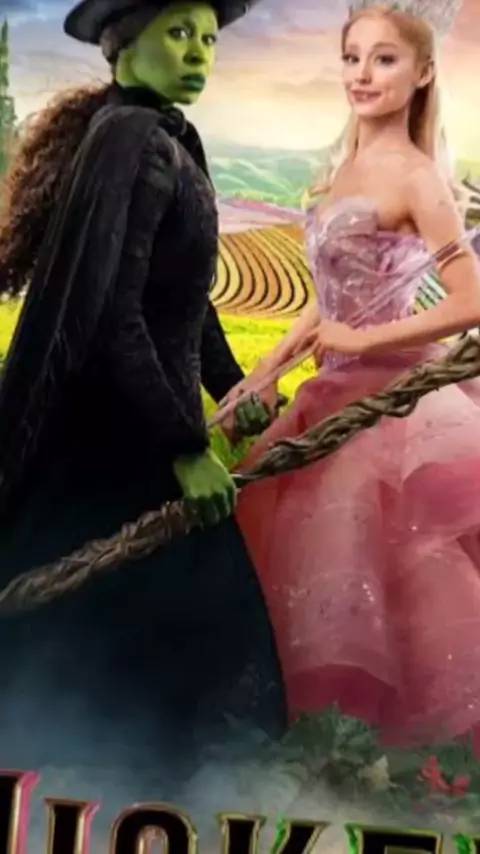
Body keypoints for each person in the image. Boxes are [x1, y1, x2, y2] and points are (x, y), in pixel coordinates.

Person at [0, 0, 286, 782]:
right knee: (132, 636)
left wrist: (232, 385)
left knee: (143, 635)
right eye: (177, 33)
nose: (198, 52)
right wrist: (184, 448)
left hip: (144, 427)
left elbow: (185, 298)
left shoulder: (165, 137)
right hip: (119, 445)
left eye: (208, 38)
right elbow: (110, 317)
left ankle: (132, 790)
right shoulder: (131, 140)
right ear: (121, 46)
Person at [229, 0, 480, 749]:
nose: (362, 74)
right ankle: (315, 745)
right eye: (351, 57)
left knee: (381, 563)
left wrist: (359, 337)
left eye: (384, 58)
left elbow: (470, 301)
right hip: (329, 391)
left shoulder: (417, 177)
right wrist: (268, 367)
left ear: (423, 73)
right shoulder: (344, 169)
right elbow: (331, 295)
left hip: (391, 402)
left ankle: (393, 754)